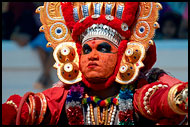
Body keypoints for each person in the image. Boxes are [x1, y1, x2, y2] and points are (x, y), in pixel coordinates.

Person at [2, 2, 188, 125]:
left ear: (122, 56)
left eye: (103, 49)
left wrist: (179, 98)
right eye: (87, 50)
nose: (92, 56)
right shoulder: (65, 95)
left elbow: (160, 100)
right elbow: (31, 108)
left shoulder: (139, 90)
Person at [2, 2, 54, 89]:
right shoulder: (30, 12)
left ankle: (44, 76)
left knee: (55, 50)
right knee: (40, 47)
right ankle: (46, 75)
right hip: (42, 35)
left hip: (54, 34)